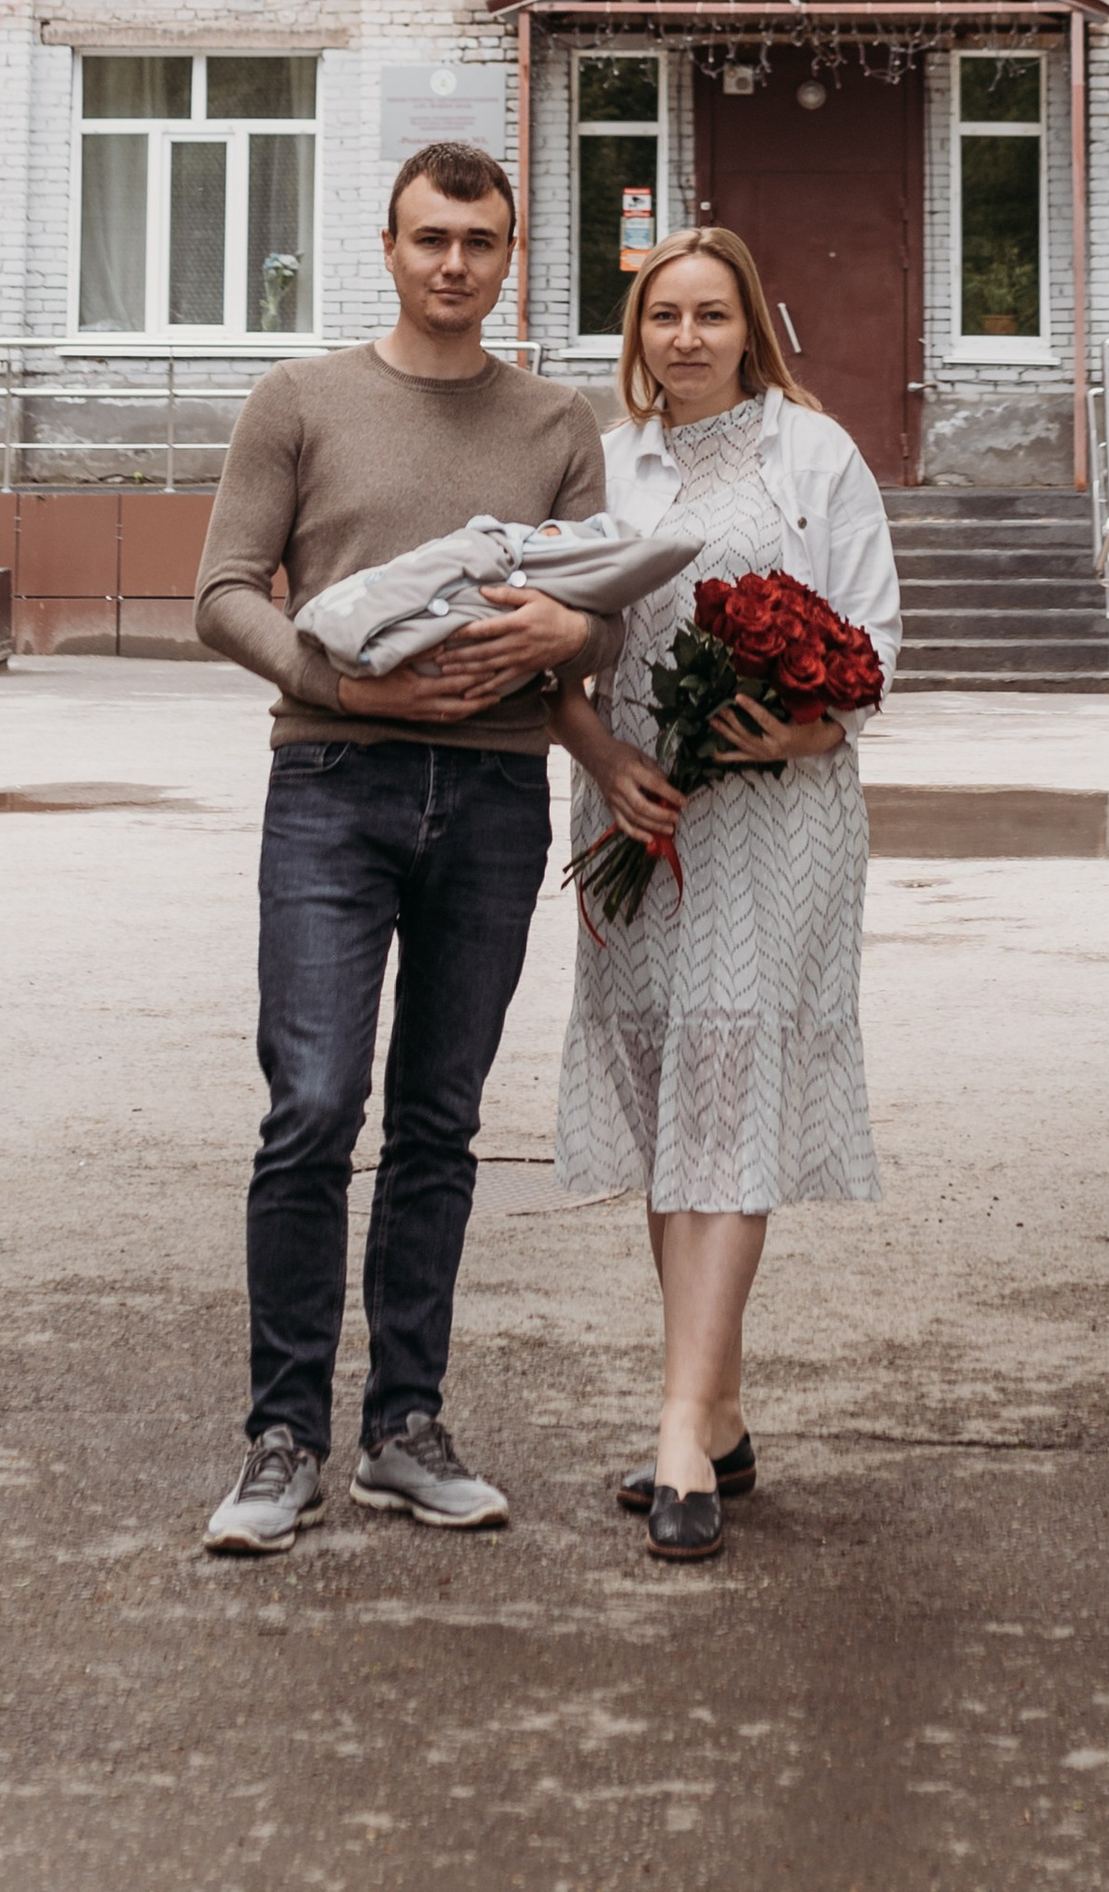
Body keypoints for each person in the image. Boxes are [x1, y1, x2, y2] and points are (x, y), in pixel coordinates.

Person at [192, 140, 611, 1556]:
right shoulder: (299, 401)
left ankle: (404, 1431)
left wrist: (577, 630)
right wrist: (342, 686)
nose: (453, 264)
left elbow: (597, 610)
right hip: (333, 788)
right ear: (386, 245)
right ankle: (280, 1438)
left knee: (441, 1121)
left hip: (494, 800)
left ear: (508, 256)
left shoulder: (557, 424)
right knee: (311, 1106)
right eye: (430, 238)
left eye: (479, 242)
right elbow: (223, 592)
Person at [551, 223, 901, 1562]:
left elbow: (873, 634)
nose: (684, 338)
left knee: (732, 1092)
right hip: (640, 808)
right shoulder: (608, 464)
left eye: (710, 315)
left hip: (778, 822)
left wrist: (809, 730)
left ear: (751, 326)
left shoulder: (811, 455)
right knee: (667, 1098)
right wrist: (610, 761)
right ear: (634, 335)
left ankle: (681, 1432)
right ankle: (725, 1407)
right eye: (660, 317)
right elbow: (568, 650)